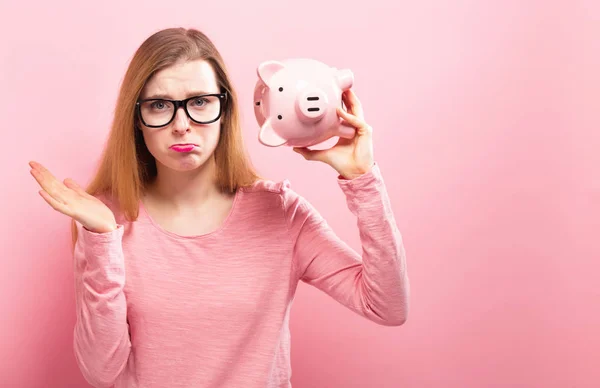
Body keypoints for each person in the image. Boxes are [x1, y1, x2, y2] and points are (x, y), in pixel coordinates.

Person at [28, 27, 409, 388]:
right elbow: (100, 371)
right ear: (137, 120)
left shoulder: (282, 214)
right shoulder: (105, 220)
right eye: (160, 105)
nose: (182, 125)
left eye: (199, 102)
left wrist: (363, 180)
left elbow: (387, 306)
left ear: (225, 111)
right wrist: (101, 239)